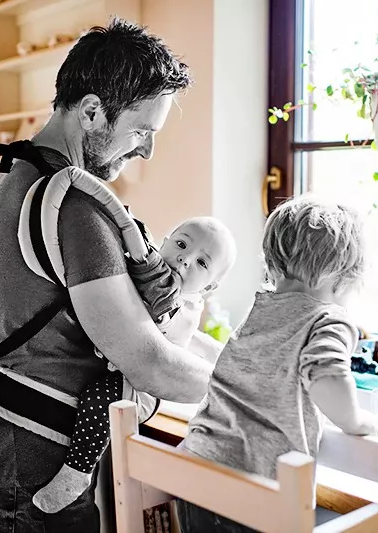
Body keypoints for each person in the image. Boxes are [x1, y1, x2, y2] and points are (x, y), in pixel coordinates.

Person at [0, 19, 217, 532]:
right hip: (30, 454)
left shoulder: (22, 167)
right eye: (141, 130)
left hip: (5, 438)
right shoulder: (75, 207)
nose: (146, 150)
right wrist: (249, 389)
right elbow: (148, 364)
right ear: (93, 110)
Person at [177, 195, 378, 533]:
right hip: (255, 485)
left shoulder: (262, 309)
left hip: (197, 468)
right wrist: (357, 420)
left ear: (272, 262)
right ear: (342, 276)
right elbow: (326, 379)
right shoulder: (331, 319)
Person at [28, 193, 237, 513]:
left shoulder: (182, 302)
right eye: (182, 245)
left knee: (98, 398)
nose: (184, 260)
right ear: (165, 242)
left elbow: (175, 333)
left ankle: (78, 471)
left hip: (142, 388)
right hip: (111, 360)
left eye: (201, 263)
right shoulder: (149, 274)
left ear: (208, 288)